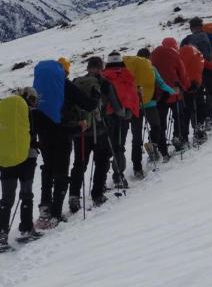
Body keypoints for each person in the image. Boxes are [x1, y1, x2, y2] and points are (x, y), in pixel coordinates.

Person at [34, 59, 99, 229]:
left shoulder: (37, 88)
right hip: (63, 131)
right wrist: (96, 95)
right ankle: (56, 213)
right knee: (61, 172)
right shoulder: (65, 85)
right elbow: (89, 104)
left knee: (47, 168)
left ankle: (45, 207)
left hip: (43, 134)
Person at [68, 56, 123, 213]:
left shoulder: (75, 82)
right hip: (99, 130)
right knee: (101, 162)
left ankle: (73, 195)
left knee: (79, 164)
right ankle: (97, 194)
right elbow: (117, 108)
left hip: (80, 130)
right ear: (101, 68)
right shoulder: (105, 83)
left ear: (87, 67)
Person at [0, 88, 41, 251]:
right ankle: (26, 229)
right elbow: (33, 134)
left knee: (6, 199)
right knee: (26, 194)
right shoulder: (29, 113)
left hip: (6, 160)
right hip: (27, 158)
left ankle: (1, 234)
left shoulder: (5, 108)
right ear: (30, 98)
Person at [180, 17, 212, 130]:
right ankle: (209, 119)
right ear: (201, 26)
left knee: (196, 97)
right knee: (210, 94)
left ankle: (198, 124)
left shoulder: (187, 40)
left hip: (194, 71)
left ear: (191, 28)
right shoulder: (208, 36)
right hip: (209, 69)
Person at [102, 51, 139, 187]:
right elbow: (132, 94)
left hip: (106, 116)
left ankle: (101, 179)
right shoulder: (127, 75)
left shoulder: (103, 76)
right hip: (124, 115)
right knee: (119, 146)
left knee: (106, 147)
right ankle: (118, 175)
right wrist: (130, 110)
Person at [151, 39, 190, 159]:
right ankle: (178, 138)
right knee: (179, 116)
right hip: (174, 92)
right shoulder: (175, 55)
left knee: (160, 122)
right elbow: (182, 74)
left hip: (158, 95)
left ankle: (158, 145)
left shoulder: (153, 55)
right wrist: (185, 87)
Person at [179, 45, 205, 144]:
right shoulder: (198, 54)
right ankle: (199, 130)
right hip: (196, 85)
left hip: (184, 87)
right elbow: (201, 68)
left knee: (186, 111)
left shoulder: (178, 54)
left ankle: (184, 136)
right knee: (199, 106)